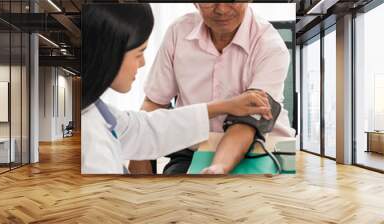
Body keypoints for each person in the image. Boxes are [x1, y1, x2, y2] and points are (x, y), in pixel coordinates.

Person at [81, 3, 273, 174]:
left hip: (250, 151)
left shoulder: (100, 114)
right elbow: (153, 110)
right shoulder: (93, 145)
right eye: (140, 53)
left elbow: (145, 128)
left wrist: (224, 106)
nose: (143, 63)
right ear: (110, 54)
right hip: (190, 153)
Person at [129, 3, 295, 175]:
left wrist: (218, 168)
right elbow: (155, 101)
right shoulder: (178, 32)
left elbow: (248, 122)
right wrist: (139, 157)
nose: (221, 9)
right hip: (193, 150)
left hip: (259, 148)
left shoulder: (270, 45)